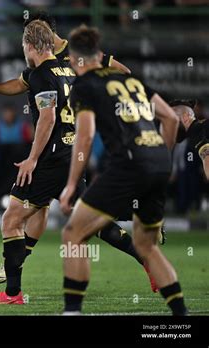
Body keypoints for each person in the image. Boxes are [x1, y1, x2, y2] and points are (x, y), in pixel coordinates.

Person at [0, 12, 159, 293]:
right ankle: (145, 252)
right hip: (71, 151)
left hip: (53, 153)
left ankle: (12, 280)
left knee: (13, 216)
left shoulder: (68, 58)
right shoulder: (62, 68)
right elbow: (23, 84)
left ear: (37, 37)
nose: (23, 44)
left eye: (26, 39)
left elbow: (119, 73)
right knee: (83, 217)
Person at [59, 25, 187, 315]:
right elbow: (170, 118)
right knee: (146, 245)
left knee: (73, 234)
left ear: (79, 60)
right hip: (157, 163)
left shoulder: (85, 86)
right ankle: (182, 318)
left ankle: (71, 311)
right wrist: (162, 159)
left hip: (129, 164)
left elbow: (86, 135)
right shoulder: (132, 81)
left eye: (69, 60)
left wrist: (70, 185)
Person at [171, 100, 209, 180]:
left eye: (173, 117)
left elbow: (206, 155)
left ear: (185, 116)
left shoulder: (196, 130)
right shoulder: (200, 127)